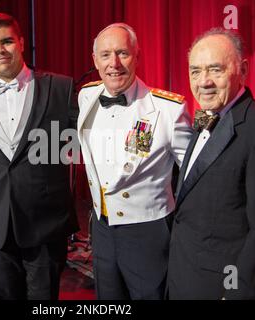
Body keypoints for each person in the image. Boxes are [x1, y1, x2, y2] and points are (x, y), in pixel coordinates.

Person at [167, 28, 255, 300]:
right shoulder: (205, 117)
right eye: (195, 71)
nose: (204, 82)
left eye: (215, 70)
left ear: (243, 69)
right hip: (185, 279)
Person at [77, 23, 192, 299]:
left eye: (122, 54)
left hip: (148, 231)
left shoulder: (167, 110)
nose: (113, 64)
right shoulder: (87, 96)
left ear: (137, 57)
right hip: (102, 230)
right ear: (95, 60)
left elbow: (193, 176)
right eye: (105, 55)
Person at [0, 13, 78, 300]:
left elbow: (88, 145)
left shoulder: (61, 88)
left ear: (21, 42)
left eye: (6, 41)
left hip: (45, 224)